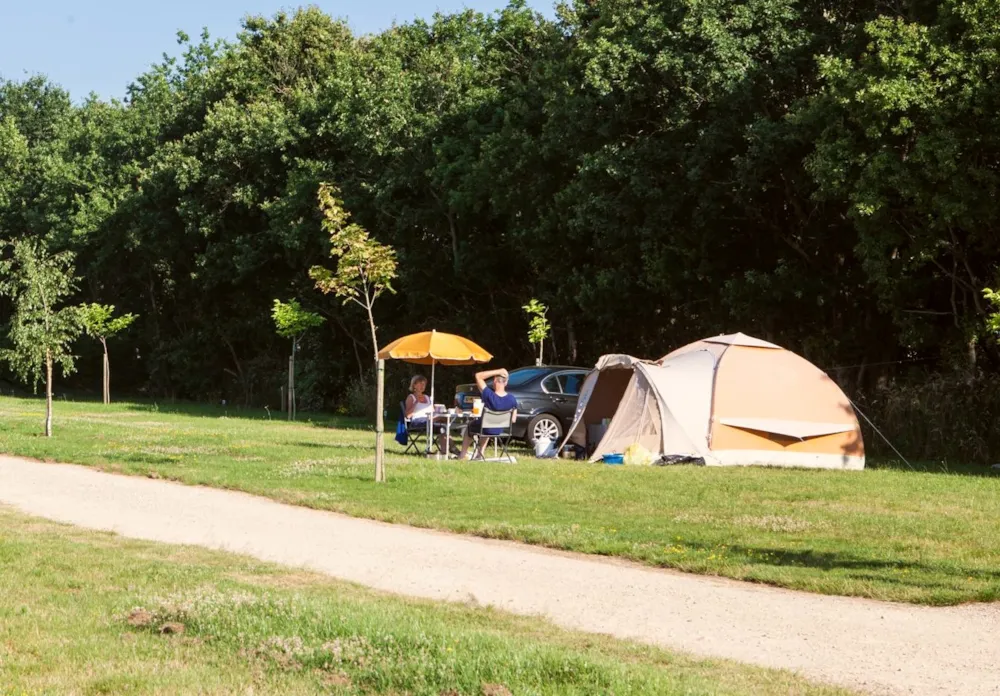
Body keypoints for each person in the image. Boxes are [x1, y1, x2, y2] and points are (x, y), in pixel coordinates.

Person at [460, 368, 518, 460]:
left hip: (486, 427)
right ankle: (480, 453)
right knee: (487, 426)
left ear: (495, 381)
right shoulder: (512, 399)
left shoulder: (489, 395)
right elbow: (513, 420)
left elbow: (478, 376)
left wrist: (499, 371)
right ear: (506, 383)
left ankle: (462, 455)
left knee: (471, 427)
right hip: (499, 430)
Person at [404, 375, 448, 453]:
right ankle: (453, 450)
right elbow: (407, 415)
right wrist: (416, 402)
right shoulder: (411, 397)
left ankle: (446, 451)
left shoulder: (427, 397)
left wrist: (438, 410)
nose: (422, 386)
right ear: (414, 385)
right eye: (420, 384)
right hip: (417, 421)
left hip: (431, 420)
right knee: (439, 419)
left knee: (444, 423)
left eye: (424, 384)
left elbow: (434, 411)